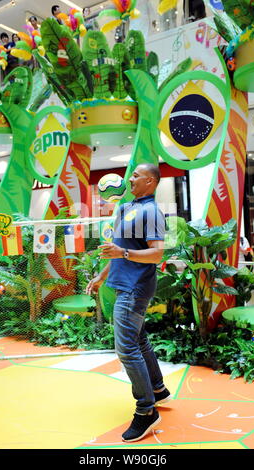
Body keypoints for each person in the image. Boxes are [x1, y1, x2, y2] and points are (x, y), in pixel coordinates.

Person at [86, 163, 171, 443]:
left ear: (150, 181)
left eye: (135, 175)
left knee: (126, 348)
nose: (129, 179)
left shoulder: (151, 211)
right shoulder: (125, 208)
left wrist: (122, 252)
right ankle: (157, 390)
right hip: (122, 282)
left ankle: (146, 411)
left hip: (135, 288)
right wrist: (101, 275)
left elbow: (157, 254)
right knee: (139, 340)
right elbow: (120, 249)